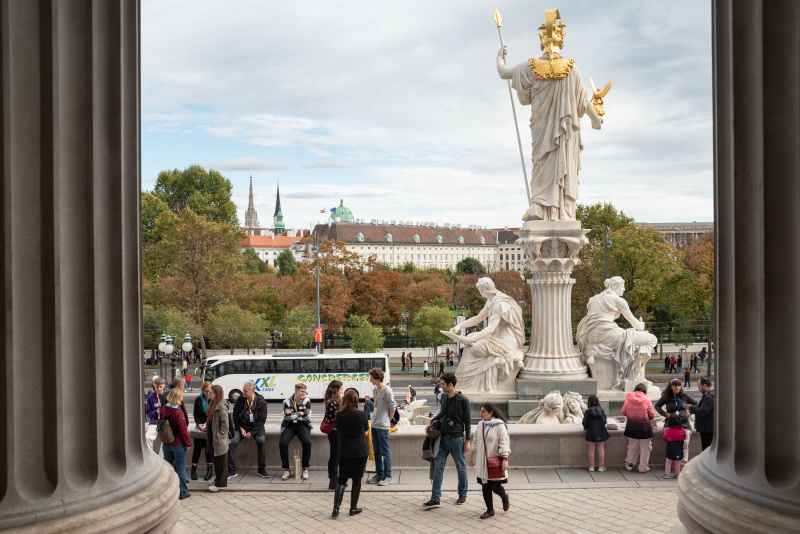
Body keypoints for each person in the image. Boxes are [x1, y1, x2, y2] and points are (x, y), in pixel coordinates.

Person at [496, 9, 604, 221]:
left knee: (541, 162)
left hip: (541, 128)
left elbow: (503, 73)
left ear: (542, 44)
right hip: (563, 133)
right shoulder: (571, 69)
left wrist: (499, 57)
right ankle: (562, 210)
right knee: (560, 162)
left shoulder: (530, 67)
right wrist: (594, 118)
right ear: (560, 45)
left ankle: (538, 206)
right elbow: (583, 101)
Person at [423, 372, 471, 508]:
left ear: (450, 384)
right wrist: (431, 422)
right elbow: (442, 413)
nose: (440, 386)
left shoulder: (463, 400)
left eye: (442, 383)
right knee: (438, 467)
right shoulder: (443, 396)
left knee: (461, 468)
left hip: (457, 439)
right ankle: (435, 498)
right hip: (442, 438)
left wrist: (467, 440)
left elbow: (467, 421)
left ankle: (462, 494)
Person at [332, 389, 370, 518]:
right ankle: (353, 508)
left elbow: (338, 429)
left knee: (342, 478)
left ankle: (336, 508)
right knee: (357, 478)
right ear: (355, 400)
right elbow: (366, 428)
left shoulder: (339, 415)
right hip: (360, 450)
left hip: (344, 450)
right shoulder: (362, 414)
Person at [469, 402, 510, 520]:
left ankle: (504, 497)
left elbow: (504, 443)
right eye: (480, 411)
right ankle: (490, 510)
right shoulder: (480, 424)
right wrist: (471, 456)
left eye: (483, 412)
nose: (480, 414)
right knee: (485, 485)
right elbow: (475, 441)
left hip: (494, 461)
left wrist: (505, 459)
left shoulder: (500, 425)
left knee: (495, 486)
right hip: (482, 461)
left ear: (490, 413)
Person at [228, 381, 269, 480]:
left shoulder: (261, 401)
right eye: (243, 390)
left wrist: (252, 432)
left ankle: (261, 469)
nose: (243, 393)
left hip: (257, 428)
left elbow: (262, 420)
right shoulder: (240, 399)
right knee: (233, 441)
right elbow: (235, 416)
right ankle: (231, 470)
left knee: (261, 441)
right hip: (242, 427)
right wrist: (241, 428)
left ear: (252, 391)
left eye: (245, 391)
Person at [655, 378, 697, 464]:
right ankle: (673, 464)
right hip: (670, 423)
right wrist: (664, 414)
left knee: (685, 445)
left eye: (678, 385)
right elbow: (657, 406)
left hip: (683, 423)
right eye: (675, 385)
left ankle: (683, 464)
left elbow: (695, 403)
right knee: (672, 445)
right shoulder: (666, 396)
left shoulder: (684, 395)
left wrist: (690, 412)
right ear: (671, 387)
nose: (677, 387)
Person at [161, 388, 192, 500]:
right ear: (177, 398)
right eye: (181, 397)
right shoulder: (178, 412)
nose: (182, 398)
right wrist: (188, 443)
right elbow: (183, 431)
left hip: (166, 443)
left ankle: (168, 491)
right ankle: (182, 492)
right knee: (180, 468)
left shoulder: (164, 409)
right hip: (178, 444)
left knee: (168, 469)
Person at [367, 367, 396, 486]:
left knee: (385, 451)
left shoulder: (387, 390)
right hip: (374, 424)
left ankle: (388, 475)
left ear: (378, 378)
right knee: (377, 451)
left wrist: (387, 420)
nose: (370, 380)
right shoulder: (375, 389)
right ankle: (379, 474)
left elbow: (392, 407)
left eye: (372, 378)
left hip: (382, 425)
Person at [279, 383, 313, 481]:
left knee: (307, 443)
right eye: (302, 391)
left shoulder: (307, 401)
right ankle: (286, 470)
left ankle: (305, 468)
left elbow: (307, 416)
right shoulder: (287, 401)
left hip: (303, 425)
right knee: (282, 444)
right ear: (296, 391)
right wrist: (299, 413)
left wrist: (293, 414)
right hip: (289, 425)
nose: (304, 393)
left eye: (305, 391)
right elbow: (286, 416)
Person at [621, 382, 655, 473]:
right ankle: (643, 467)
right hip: (645, 428)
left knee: (632, 446)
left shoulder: (628, 399)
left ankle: (630, 464)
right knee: (645, 448)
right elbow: (652, 414)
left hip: (632, 427)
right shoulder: (647, 400)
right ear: (644, 391)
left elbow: (623, 411)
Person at [206, 384, 230, 492]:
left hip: (219, 438)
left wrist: (220, 435)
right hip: (214, 436)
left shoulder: (221, 406)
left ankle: (221, 483)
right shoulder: (214, 403)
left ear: (216, 394)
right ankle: (217, 480)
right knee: (217, 460)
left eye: (211, 392)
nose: (208, 394)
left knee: (221, 461)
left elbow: (225, 424)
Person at [191, 381, 214, 481]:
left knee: (208, 447)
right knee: (197, 446)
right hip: (200, 426)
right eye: (206, 392)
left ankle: (209, 469)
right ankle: (193, 469)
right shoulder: (198, 399)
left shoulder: (213, 399)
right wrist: (199, 424)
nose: (208, 394)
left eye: (209, 391)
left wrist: (207, 424)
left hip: (209, 426)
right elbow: (195, 413)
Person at [324, 380, 344, 490]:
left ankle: (336, 479)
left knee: (336, 456)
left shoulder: (334, 401)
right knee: (335, 456)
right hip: (335, 432)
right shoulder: (332, 403)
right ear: (336, 390)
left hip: (336, 432)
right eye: (341, 389)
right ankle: (333, 481)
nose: (342, 391)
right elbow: (338, 417)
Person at [685, 377, 714, 451]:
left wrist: (691, 407)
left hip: (707, 429)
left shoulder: (709, 397)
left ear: (704, 385)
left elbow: (702, 411)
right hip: (708, 428)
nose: (699, 389)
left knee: (706, 451)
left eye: (699, 387)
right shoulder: (710, 395)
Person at [582, 395, 610, 472]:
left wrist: (586, 427)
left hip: (591, 432)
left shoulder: (588, 412)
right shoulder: (601, 410)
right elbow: (604, 421)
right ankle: (601, 467)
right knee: (601, 449)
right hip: (600, 432)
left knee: (591, 450)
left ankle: (591, 467)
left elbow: (584, 422)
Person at [145, 377, 166, 454]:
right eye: (157, 387)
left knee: (166, 441)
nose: (159, 389)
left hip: (166, 422)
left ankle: (163, 460)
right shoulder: (151, 397)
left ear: (164, 385)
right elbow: (148, 412)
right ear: (154, 386)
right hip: (155, 422)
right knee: (147, 437)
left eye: (161, 387)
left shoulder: (168, 394)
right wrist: (155, 412)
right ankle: (149, 456)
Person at [663, 414, 686, 479]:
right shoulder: (682, 430)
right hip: (679, 448)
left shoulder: (668, 430)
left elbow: (665, 437)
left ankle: (667, 474)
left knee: (668, 461)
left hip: (670, 447)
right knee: (678, 462)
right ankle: (677, 474)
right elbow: (684, 437)